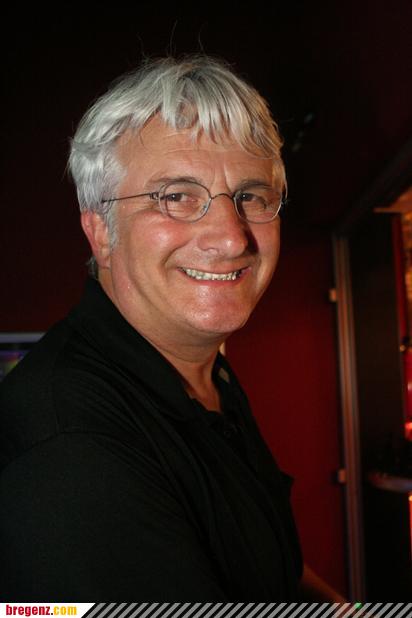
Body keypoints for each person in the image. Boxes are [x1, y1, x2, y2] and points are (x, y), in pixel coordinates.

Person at [0, 55, 343, 601]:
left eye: (250, 197)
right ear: (101, 232)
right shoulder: (72, 449)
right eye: (177, 196)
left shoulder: (205, 374)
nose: (230, 237)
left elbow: (266, 567)